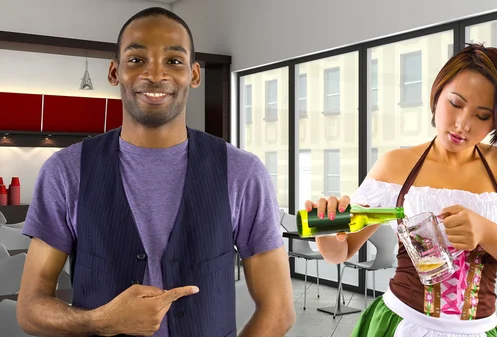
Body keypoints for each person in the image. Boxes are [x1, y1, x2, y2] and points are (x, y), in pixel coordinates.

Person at [16, 7, 295, 337]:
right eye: (137, 60)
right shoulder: (66, 172)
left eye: (173, 61)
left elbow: (279, 311)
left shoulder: (242, 173)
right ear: (114, 71)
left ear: (193, 74)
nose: (155, 74)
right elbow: (30, 308)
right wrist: (99, 321)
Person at [306, 44, 497, 337]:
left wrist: (485, 231)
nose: (463, 124)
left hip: (480, 330)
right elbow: (343, 250)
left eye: (482, 116)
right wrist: (325, 231)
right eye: (455, 103)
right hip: (401, 325)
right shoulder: (396, 165)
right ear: (437, 94)